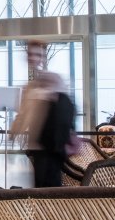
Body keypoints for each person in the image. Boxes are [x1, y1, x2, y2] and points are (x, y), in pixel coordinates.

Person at [10, 41, 75, 188]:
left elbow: (65, 110)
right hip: (37, 146)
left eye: (37, 54)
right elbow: (24, 113)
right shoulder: (28, 87)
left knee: (49, 188)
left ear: (43, 57)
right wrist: (14, 132)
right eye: (30, 54)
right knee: (40, 186)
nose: (33, 58)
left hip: (51, 147)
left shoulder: (54, 79)